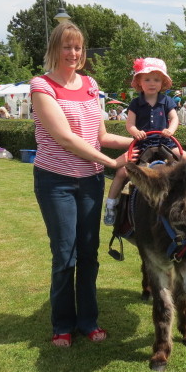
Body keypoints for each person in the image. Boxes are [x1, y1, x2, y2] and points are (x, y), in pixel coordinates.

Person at [30, 21, 134, 348]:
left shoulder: (90, 84)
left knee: (88, 253)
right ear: (54, 49)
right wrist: (113, 163)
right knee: (65, 254)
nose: (73, 53)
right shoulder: (41, 85)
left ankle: (88, 320)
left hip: (90, 181)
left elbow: (101, 136)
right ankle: (62, 324)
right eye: (66, 46)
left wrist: (139, 141)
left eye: (78, 47)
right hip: (56, 181)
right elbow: (65, 138)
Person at [103, 58, 180, 225]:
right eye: (147, 79)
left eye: (156, 79)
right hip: (142, 146)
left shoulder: (167, 101)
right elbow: (129, 124)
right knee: (122, 173)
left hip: (164, 144)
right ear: (139, 82)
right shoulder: (135, 103)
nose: (152, 83)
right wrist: (136, 132)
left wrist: (171, 130)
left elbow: (174, 118)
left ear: (162, 82)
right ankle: (110, 205)